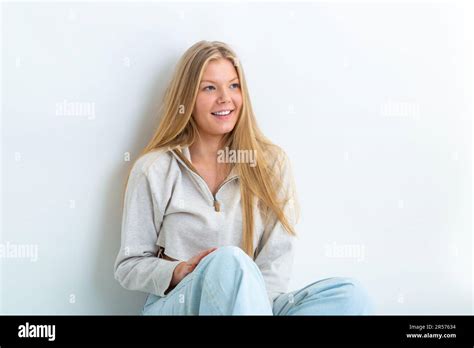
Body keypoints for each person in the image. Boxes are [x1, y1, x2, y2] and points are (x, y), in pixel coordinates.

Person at [113, 40, 374, 315]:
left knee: (349, 297)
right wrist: (179, 270)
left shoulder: (271, 165)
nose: (225, 98)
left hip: (255, 304)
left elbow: (275, 261)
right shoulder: (155, 168)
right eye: (209, 87)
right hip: (179, 304)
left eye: (233, 85)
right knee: (229, 261)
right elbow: (129, 265)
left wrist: (256, 304)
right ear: (187, 97)